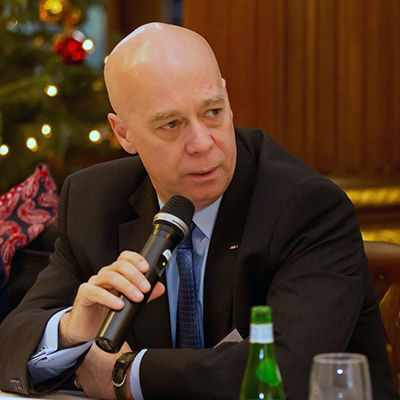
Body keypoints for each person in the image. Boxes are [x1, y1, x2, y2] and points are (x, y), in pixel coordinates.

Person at [0, 22, 398, 400]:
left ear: (226, 96)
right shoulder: (93, 200)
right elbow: (12, 340)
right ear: (123, 133)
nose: (203, 143)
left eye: (213, 112)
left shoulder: (306, 206)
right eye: (171, 124)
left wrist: (126, 374)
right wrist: (70, 330)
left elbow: (280, 372)